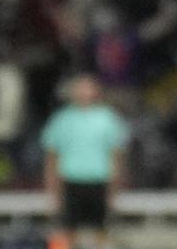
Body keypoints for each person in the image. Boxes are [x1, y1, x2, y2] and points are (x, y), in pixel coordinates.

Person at [40, 75, 128, 249]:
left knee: (101, 231)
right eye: (81, 88)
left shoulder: (108, 118)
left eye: (88, 88)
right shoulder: (62, 119)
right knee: (67, 231)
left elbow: (117, 155)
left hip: (99, 180)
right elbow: (51, 156)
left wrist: (116, 188)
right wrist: (52, 190)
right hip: (70, 181)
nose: (84, 93)